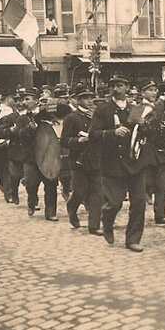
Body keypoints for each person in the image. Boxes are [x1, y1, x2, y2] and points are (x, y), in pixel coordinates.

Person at [89, 75, 147, 252]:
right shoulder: (103, 109)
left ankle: (133, 239)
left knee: (139, 202)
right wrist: (112, 133)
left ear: (127, 88)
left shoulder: (135, 109)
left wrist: (144, 125)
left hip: (135, 163)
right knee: (114, 203)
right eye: (113, 86)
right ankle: (107, 221)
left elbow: (142, 134)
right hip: (113, 163)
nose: (116, 89)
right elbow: (93, 135)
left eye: (120, 85)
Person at [62, 84, 103, 235]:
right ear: (78, 101)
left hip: (95, 159)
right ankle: (72, 207)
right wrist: (78, 141)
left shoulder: (98, 116)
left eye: (91, 98)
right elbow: (64, 141)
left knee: (97, 192)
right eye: (85, 98)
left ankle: (94, 226)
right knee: (80, 191)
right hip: (78, 160)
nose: (90, 101)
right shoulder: (71, 118)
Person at [13, 88, 59, 221]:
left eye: (27, 99)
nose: (24, 102)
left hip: (48, 154)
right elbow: (18, 134)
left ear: (36, 101)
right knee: (31, 183)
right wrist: (29, 130)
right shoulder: (22, 118)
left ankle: (50, 212)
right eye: (23, 99)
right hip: (31, 156)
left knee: (51, 183)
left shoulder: (47, 114)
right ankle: (32, 201)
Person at [137, 80, 165, 226]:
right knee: (144, 184)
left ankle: (160, 215)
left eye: (154, 90)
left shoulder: (162, 107)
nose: (154, 92)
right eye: (150, 90)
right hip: (146, 151)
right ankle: (139, 215)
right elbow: (134, 130)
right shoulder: (139, 108)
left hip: (161, 150)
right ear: (143, 93)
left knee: (162, 184)